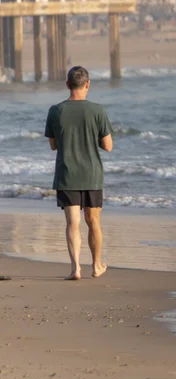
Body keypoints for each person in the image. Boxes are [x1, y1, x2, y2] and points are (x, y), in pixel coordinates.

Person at [44, 66, 113, 281]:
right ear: (87, 84)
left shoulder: (55, 110)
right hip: (92, 174)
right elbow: (108, 146)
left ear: (67, 85)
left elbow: (53, 146)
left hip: (67, 174)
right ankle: (96, 265)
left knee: (72, 223)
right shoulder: (98, 110)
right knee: (93, 221)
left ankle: (75, 268)